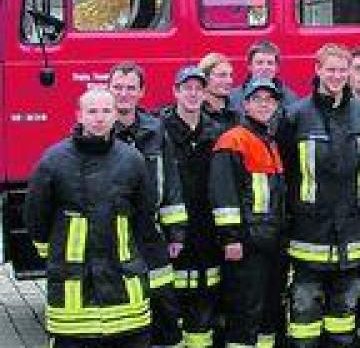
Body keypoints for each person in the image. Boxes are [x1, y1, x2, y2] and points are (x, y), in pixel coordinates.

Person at [26, 89, 163, 348]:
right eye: (92, 111)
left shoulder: (132, 159)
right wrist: (56, 254)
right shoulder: (53, 160)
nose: (99, 118)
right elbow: (36, 217)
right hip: (73, 290)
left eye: (105, 111)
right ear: (79, 115)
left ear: (115, 116)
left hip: (124, 286)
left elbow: (145, 215)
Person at [277, 43, 360, 346]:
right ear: (317, 70)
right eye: (330, 69)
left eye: (342, 70)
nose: (336, 75)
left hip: (351, 234)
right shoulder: (295, 116)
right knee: (304, 314)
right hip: (309, 234)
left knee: (344, 313)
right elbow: (285, 173)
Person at [108, 63, 185, 346]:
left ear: (142, 92)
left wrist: (176, 230)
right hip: (114, 234)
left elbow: (171, 182)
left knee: (164, 306)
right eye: (118, 87)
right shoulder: (99, 132)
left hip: (152, 234)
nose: (123, 94)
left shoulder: (156, 131)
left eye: (130, 88)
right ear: (109, 89)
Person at [210, 78, 288, 348]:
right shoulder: (233, 140)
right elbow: (224, 196)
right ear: (245, 104)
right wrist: (231, 238)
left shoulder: (269, 140)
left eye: (270, 100)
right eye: (258, 99)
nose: (264, 104)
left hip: (270, 242)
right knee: (245, 313)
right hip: (247, 245)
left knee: (268, 312)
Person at [161, 66, 225, 347]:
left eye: (198, 88)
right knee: (169, 306)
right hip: (173, 233)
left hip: (207, 233)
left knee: (204, 304)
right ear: (176, 91)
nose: (193, 94)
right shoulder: (159, 131)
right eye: (187, 88)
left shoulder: (217, 132)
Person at [228, 40, 300, 111]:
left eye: (270, 63)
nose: (265, 68)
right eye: (260, 63)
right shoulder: (233, 98)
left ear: (277, 67)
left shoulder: (290, 100)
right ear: (250, 66)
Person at [199, 52, 240, 132]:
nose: (229, 81)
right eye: (222, 75)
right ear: (205, 78)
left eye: (230, 75)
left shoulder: (236, 112)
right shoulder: (194, 112)